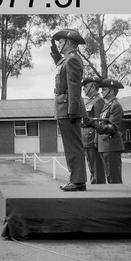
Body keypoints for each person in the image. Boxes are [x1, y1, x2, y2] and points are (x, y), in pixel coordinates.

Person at [51, 28, 88, 191]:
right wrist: (54, 52)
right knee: (70, 146)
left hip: (67, 106)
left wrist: (73, 110)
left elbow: (74, 86)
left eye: (60, 42)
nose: (59, 44)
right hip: (64, 106)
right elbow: (61, 66)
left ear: (68, 43)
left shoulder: (72, 59)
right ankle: (76, 179)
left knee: (73, 146)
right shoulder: (67, 59)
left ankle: (78, 181)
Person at [83, 79, 125, 183]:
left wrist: (93, 124)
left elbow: (113, 127)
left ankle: (117, 199)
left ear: (111, 91)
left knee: (113, 177)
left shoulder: (115, 105)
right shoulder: (107, 105)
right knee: (109, 176)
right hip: (105, 145)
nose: (101, 92)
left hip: (111, 145)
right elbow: (102, 122)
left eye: (104, 90)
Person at [81, 76, 106, 184]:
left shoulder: (99, 101)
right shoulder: (88, 101)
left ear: (93, 87)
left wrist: (96, 140)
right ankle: (95, 184)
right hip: (86, 138)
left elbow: (99, 122)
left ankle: (99, 187)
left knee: (96, 167)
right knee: (91, 166)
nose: (83, 89)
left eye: (85, 87)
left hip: (92, 139)